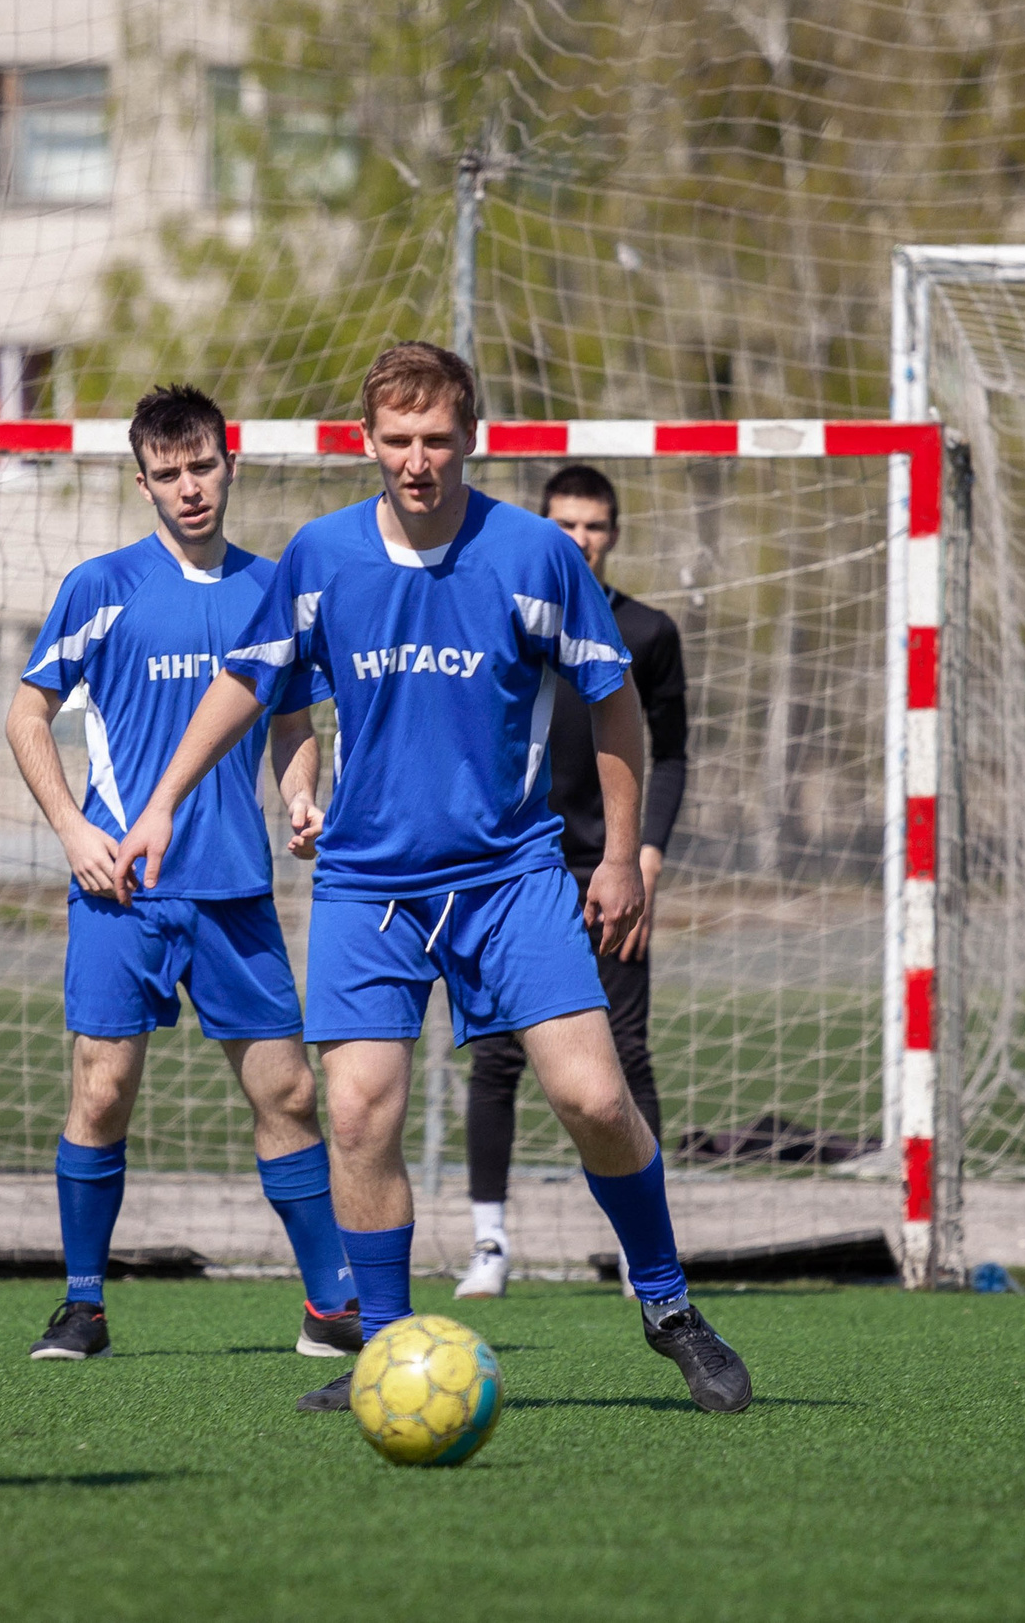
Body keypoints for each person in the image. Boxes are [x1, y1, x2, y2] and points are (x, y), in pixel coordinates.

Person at [113, 343, 750, 1416]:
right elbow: (249, 685)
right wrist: (164, 797)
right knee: (356, 1116)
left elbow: (615, 702)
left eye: (437, 440)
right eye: (397, 441)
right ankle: (389, 1350)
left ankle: (668, 1306)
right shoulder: (320, 557)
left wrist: (621, 853)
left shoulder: (534, 555)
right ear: (367, 443)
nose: (417, 460)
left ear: (473, 439)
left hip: (511, 874)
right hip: (369, 886)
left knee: (594, 1096)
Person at [5, 383, 356, 1365]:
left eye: (202, 466)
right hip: (120, 886)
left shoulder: (275, 588)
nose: (189, 488)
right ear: (143, 483)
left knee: (287, 1092)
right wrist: (73, 828)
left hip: (233, 886)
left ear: (229, 462)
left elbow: (292, 720)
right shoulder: (100, 585)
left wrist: (298, 794)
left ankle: (331, 1307)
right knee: (102, 1088)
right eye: (168, 474)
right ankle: (83, 1305)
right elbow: (26, 713)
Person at [458, 464, 688, 1299]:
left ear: (614, 533)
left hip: (609, 867)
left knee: (623, 1054)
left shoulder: (648, 631)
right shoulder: (506, 614)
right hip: (513, 864)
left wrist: (645, 853)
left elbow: (673, 751)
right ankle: (489, 1243)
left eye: (594, 525)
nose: (579, 539)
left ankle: (642, 1253)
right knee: (495, 1057)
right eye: (564, 524)